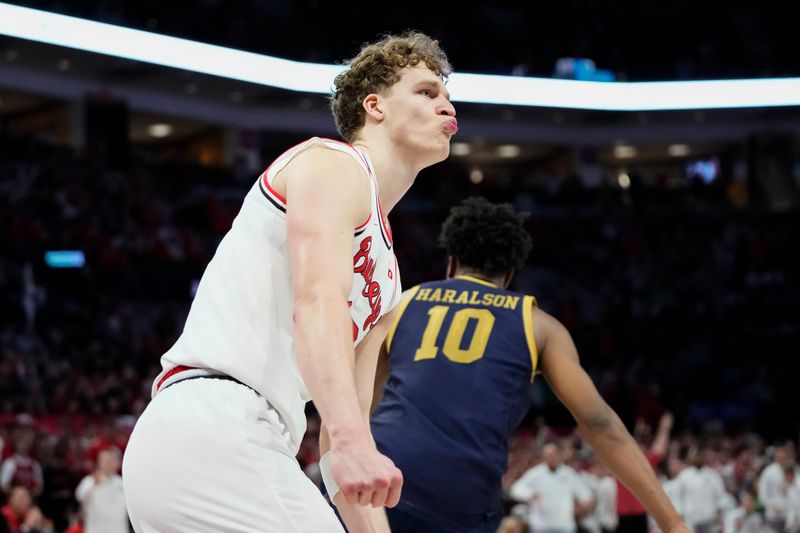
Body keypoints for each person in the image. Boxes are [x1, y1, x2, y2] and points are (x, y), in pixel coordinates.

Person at [122, 31, 458, 532]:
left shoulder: (388, 280)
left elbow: (342, 435)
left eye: (448, 96)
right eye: (427, 92)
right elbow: (316, 299)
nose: (446, 107)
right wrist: (349, 442)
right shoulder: (332, 162)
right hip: (216, 422)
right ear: (375, 107)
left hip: (238, 444)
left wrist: (349, 446)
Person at [370, 197, 689, 533]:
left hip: (382, 478)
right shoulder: (537, 324)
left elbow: (367, 404)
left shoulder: (402, 302)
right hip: (460, 498)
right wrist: (674, 524)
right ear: (509, 275)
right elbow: (598, 422)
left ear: (451, 264)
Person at [75, 448, 128, 533]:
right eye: (104, 461)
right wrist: (93, 485)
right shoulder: (90, 480)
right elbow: (79, 496)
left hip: (118, 529)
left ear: (117, 463)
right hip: (96, 529)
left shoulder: (123, 483)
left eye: (110, 461)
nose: (108, 464)